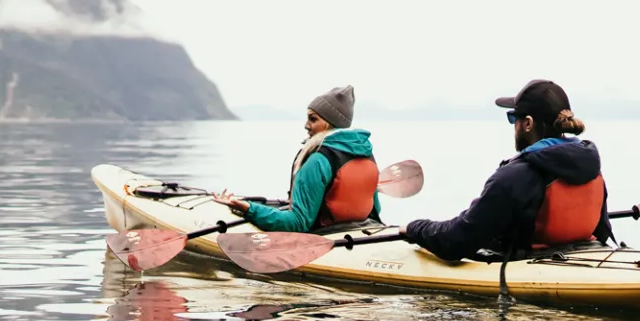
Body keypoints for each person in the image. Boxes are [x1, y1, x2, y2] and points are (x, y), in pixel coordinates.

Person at [402, 79, 612, 262]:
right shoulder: (590, 165)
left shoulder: (514, 176)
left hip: (531, 263)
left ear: (528, 123)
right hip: (579, 256)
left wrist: (415, 228)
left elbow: (456, 242)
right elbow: (602, 231)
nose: (513, 126)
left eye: (513, 118)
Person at [213, 84, 382, 232]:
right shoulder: (366, 155)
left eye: (313, 119)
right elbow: (375, 210)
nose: (306, 125)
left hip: (324, 235)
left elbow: (298, 223)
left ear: (330, 123)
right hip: (360, 231)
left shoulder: (318, 161)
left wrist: (248, 209)